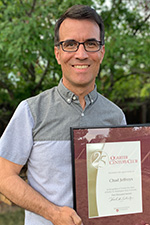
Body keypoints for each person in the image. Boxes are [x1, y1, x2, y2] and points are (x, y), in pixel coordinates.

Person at [0, 5, 126, 225]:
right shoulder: (31, 111)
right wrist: (53, 213)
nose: (81, 53)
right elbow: (3, 175)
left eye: (91, 43)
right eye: (70, 44)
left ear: (101, 52)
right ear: (58, 53)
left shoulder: (116, 117)